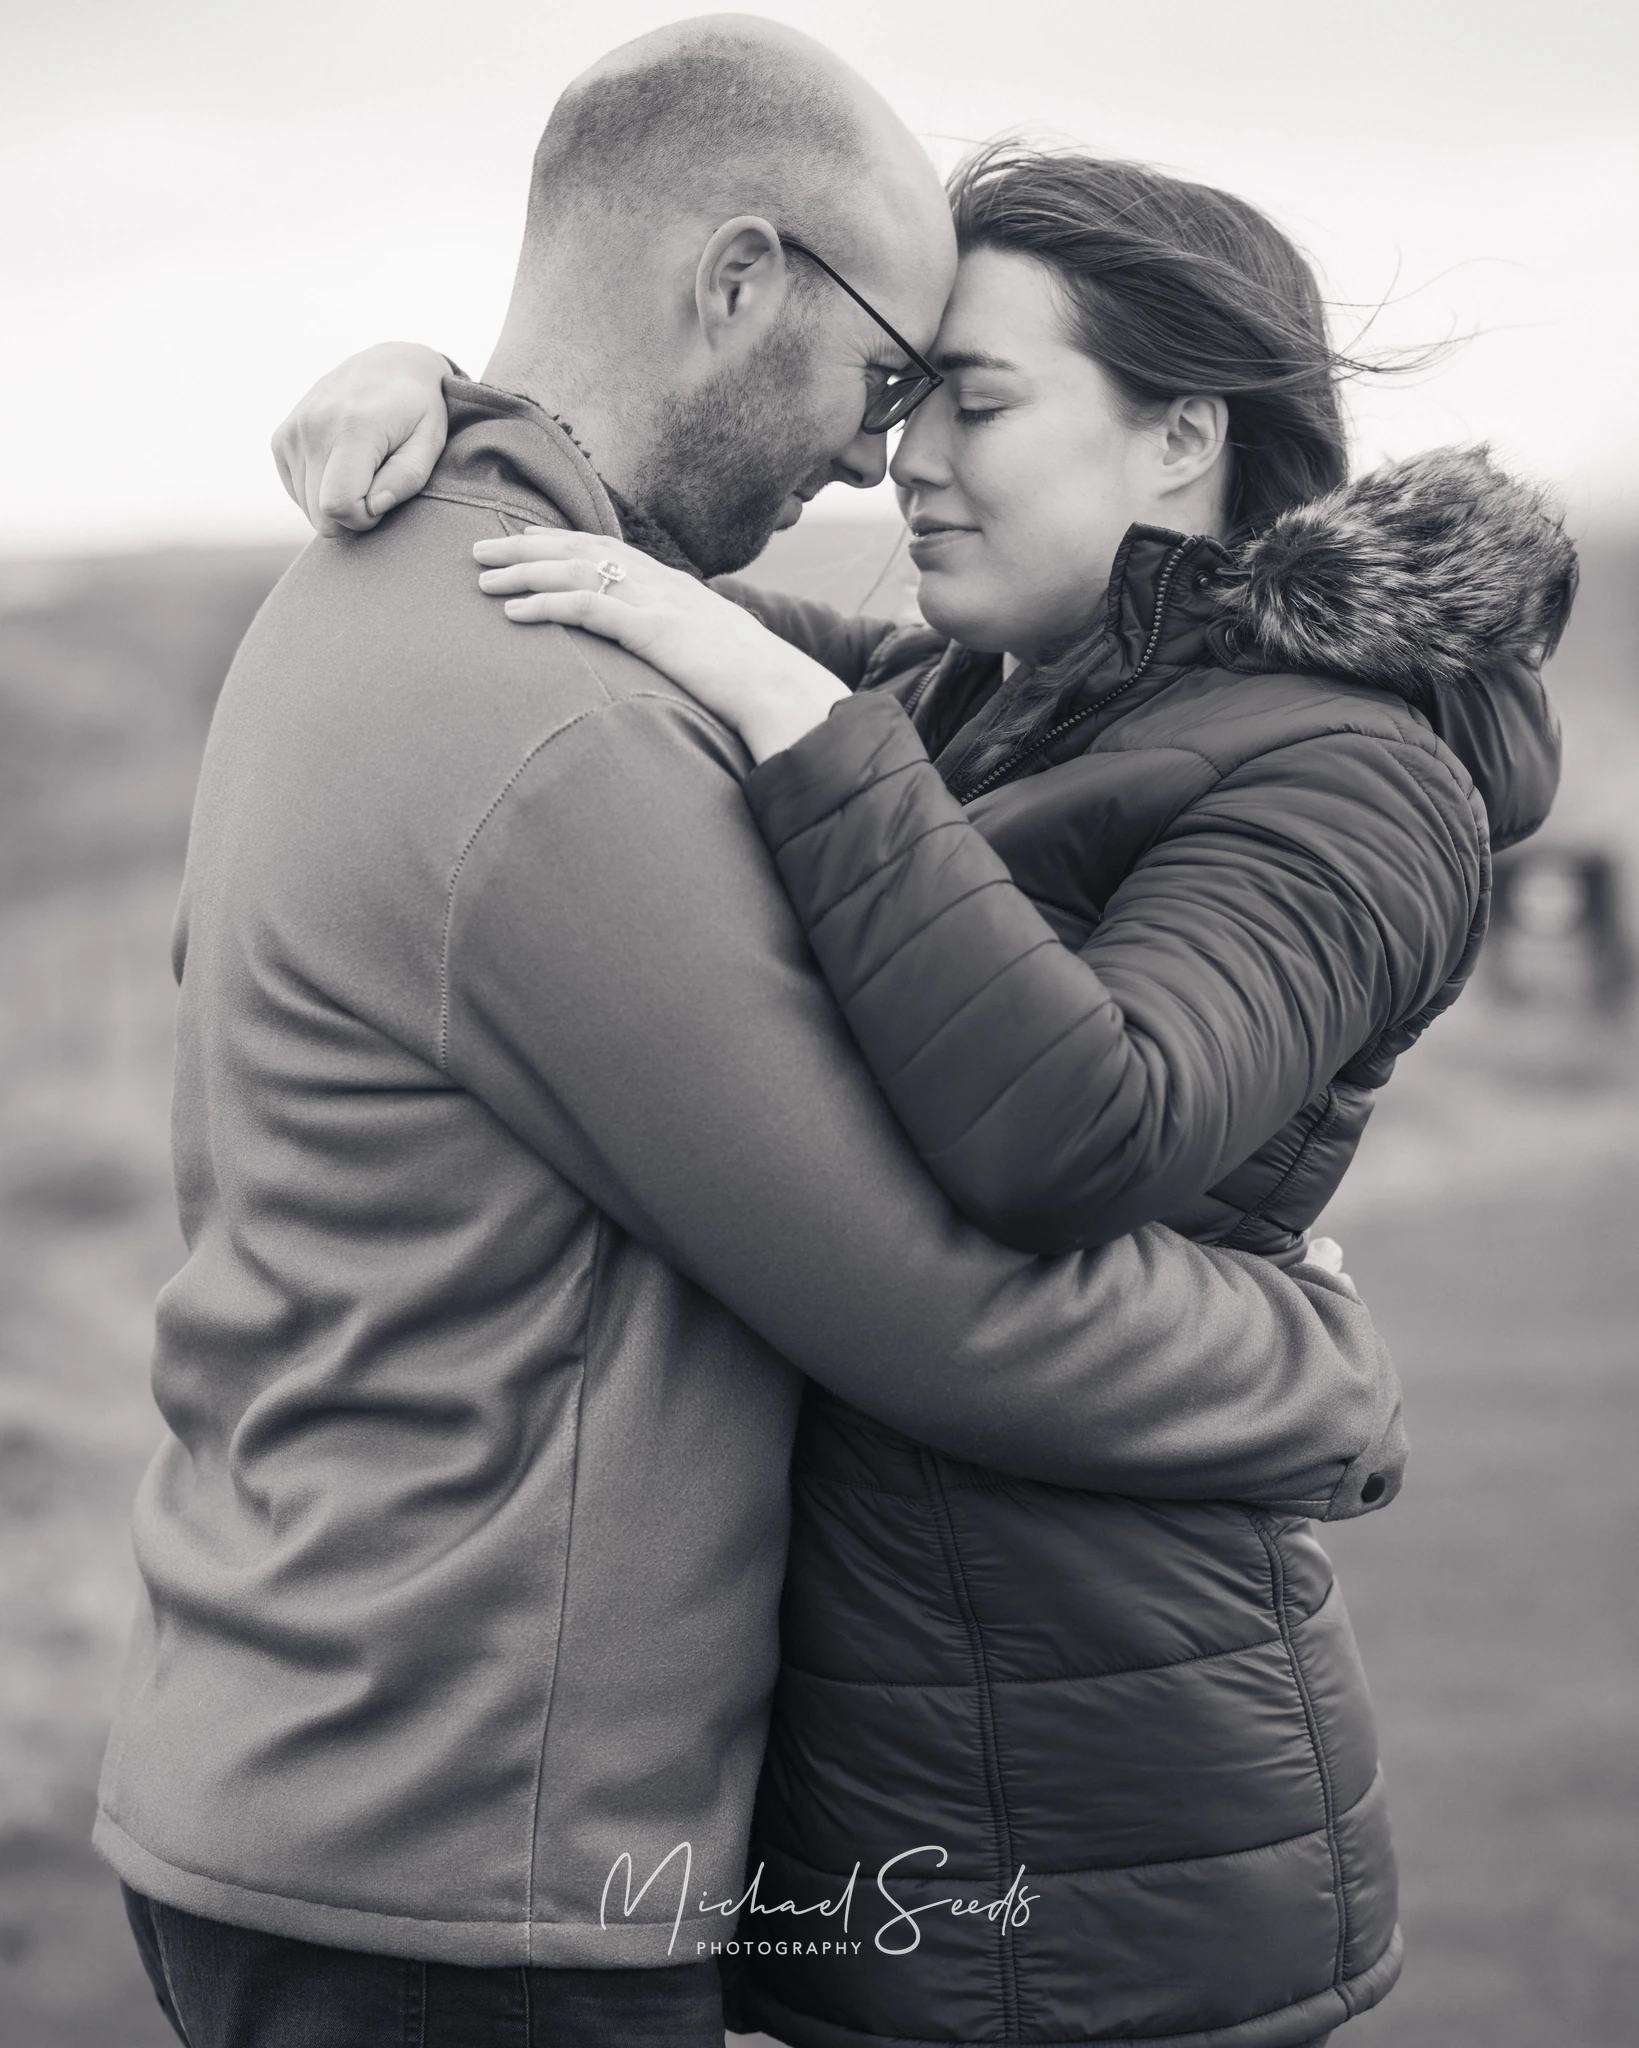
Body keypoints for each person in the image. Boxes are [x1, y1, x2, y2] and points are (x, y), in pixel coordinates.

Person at [97, 23, 1406, 2048]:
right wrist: (1317, 1365)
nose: (883, 461)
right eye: (893, 381)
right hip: (462, 1855)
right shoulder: (560, 721)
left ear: (1184, 435)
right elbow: (927, 1302)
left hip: (342, 1775)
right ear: (735, 282)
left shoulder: (401, 585)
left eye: (961, 399)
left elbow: (865, 709)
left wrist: (444, 396)